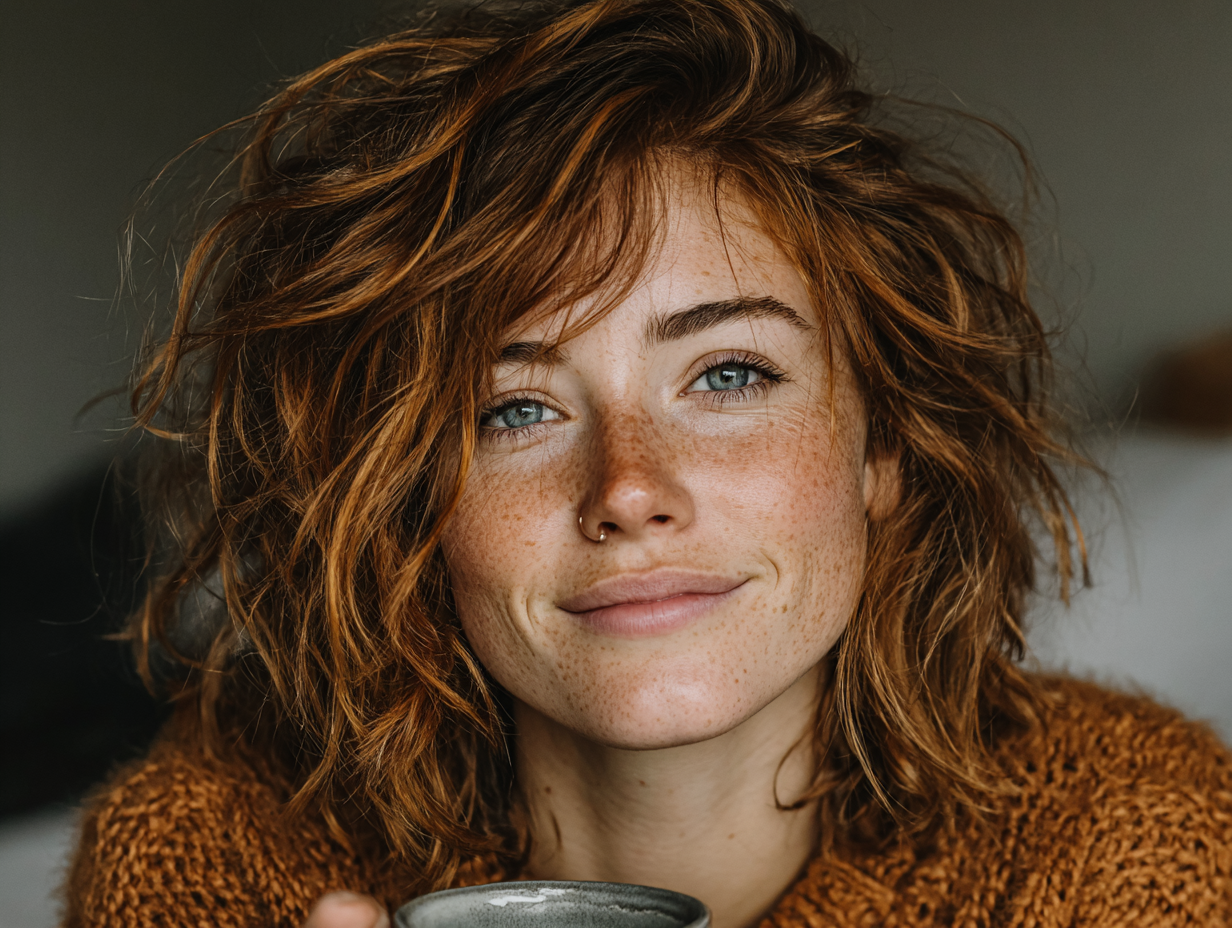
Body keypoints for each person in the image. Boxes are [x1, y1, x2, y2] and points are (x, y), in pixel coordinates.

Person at [63, 0, 1232, 925]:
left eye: (727, 375)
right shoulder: (209, 848)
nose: (627, 489)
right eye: (511, 409)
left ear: (884, 446)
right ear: (405, 497)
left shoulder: (1131, 844)